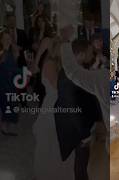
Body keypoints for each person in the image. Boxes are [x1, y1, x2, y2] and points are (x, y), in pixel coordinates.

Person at [54, 39, 103, 180]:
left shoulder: (73, 71)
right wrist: (84, 134)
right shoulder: (70, 78)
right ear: (81, 55)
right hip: (75, 126)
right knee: (81, 161)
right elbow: (72, 108)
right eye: (89, 53)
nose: (91, 55)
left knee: (82, 160)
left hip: (78, 121)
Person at [32, 38, 75, 180]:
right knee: (51, 140)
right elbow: (58, 86)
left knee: (59, 141)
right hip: (52, 105)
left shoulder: (60, 64)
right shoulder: (50, 64)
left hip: (60, 103)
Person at [0, 29, 20, 136]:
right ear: (1, 40)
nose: (8, 40)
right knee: (7, 104)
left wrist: (16, 56)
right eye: (5, 38)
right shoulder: (3, 52)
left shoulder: (9, 52)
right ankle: (4, 127)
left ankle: (5, 126)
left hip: (10, 82)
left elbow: (13, 67)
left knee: (10, 104)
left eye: (9, 38)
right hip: (4, 83)